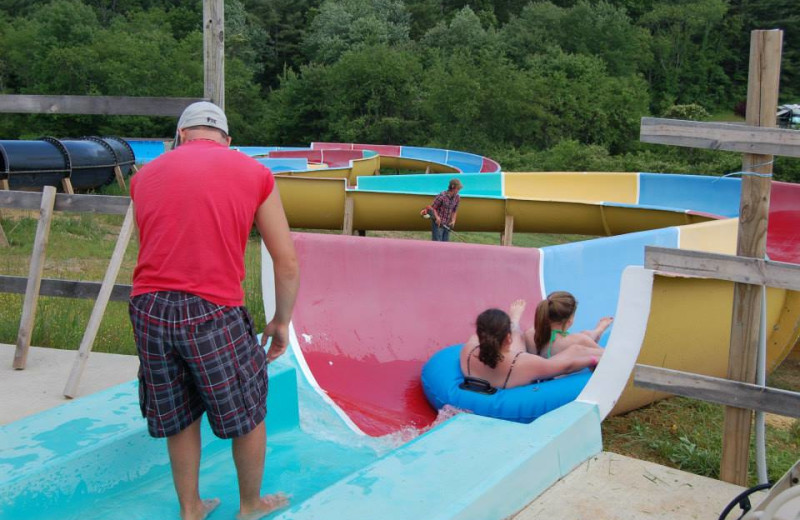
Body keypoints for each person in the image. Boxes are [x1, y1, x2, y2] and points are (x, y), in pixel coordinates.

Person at [128, 101, 299, 520]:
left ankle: (190, 508)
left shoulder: (144, 176)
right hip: (212, 308)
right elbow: (287, 260)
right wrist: (281, 320)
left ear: (181, 135)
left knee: (179, 413)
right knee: (248, 408)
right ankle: (250, 505)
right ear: (226, 140)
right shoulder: (253, 172)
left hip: (148, 307)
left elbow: (146, 243)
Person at [460, 300, 603, 390]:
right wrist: (591, 359)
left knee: (519, 338)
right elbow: (566, 365)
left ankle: (514, 322)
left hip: (505, 367)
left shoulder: (468, 349)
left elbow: (483, 344)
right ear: (508, 339)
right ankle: (514, 323)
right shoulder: (522, 362)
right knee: (576, 348)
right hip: (511, 370)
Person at [525, 291, 613, 359]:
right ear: (570, 321)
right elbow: (608, 356)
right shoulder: (578, 341)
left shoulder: (530, 335)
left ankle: (598, 330)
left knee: (584, 335)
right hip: (567, 376)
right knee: (584, 337)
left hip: (545, 370)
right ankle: (598, 330)